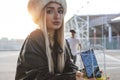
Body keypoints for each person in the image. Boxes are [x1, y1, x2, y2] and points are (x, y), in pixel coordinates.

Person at [15, 0, 84, 80]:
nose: (57, 16)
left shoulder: (63, 42)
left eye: (60, 11)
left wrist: (82, 74)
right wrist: (72, 77)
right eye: (49, 11)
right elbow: (39, 77)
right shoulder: (35, 38)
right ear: (40, 15)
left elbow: (69, 67)